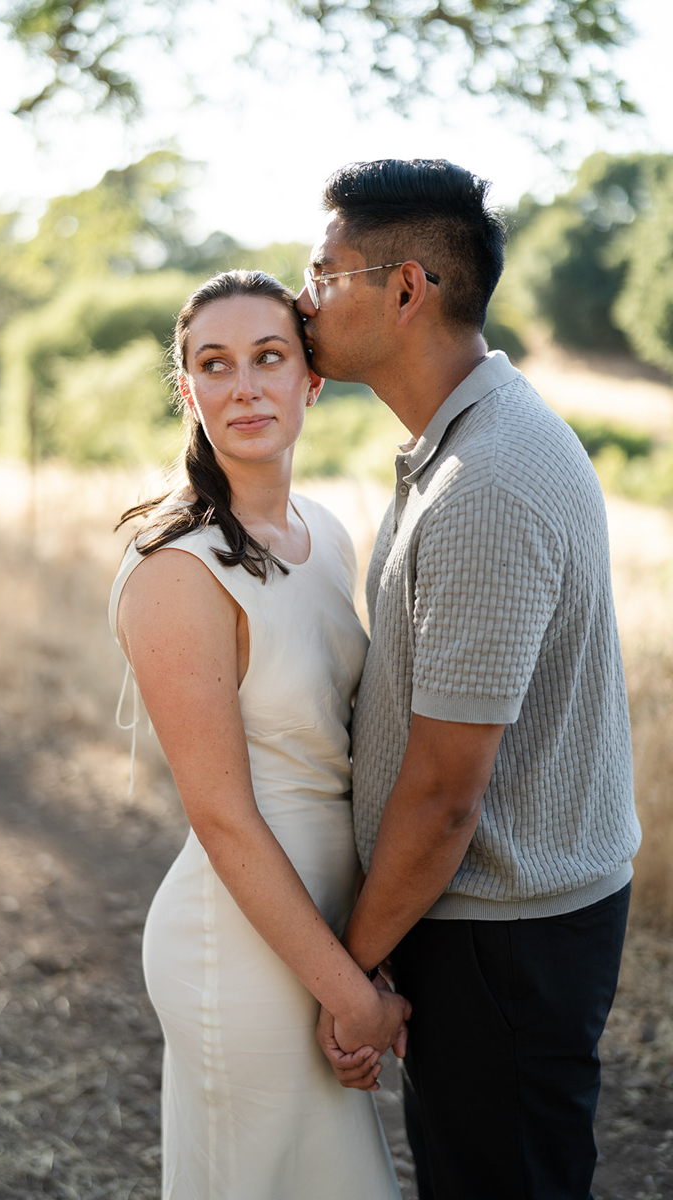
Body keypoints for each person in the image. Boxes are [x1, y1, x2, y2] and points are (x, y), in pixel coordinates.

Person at [296, 159, 642, 1200]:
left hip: (505, 943)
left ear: (404, 289)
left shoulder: (483, 483)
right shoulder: (461, 445)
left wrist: (352, 969)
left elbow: (447, 795)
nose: (302, 300)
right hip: (487, 926)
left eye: (322, 276)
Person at [108, 269, 409, 1200]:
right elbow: (224, 817)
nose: (244, 386)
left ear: (310, 381)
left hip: (326, 939)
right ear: (188, 389)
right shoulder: (178, 572)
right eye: (215, 364)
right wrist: (351, 994)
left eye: (269, 358)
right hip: (236, 947)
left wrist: (359, 960)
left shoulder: (326, 532)